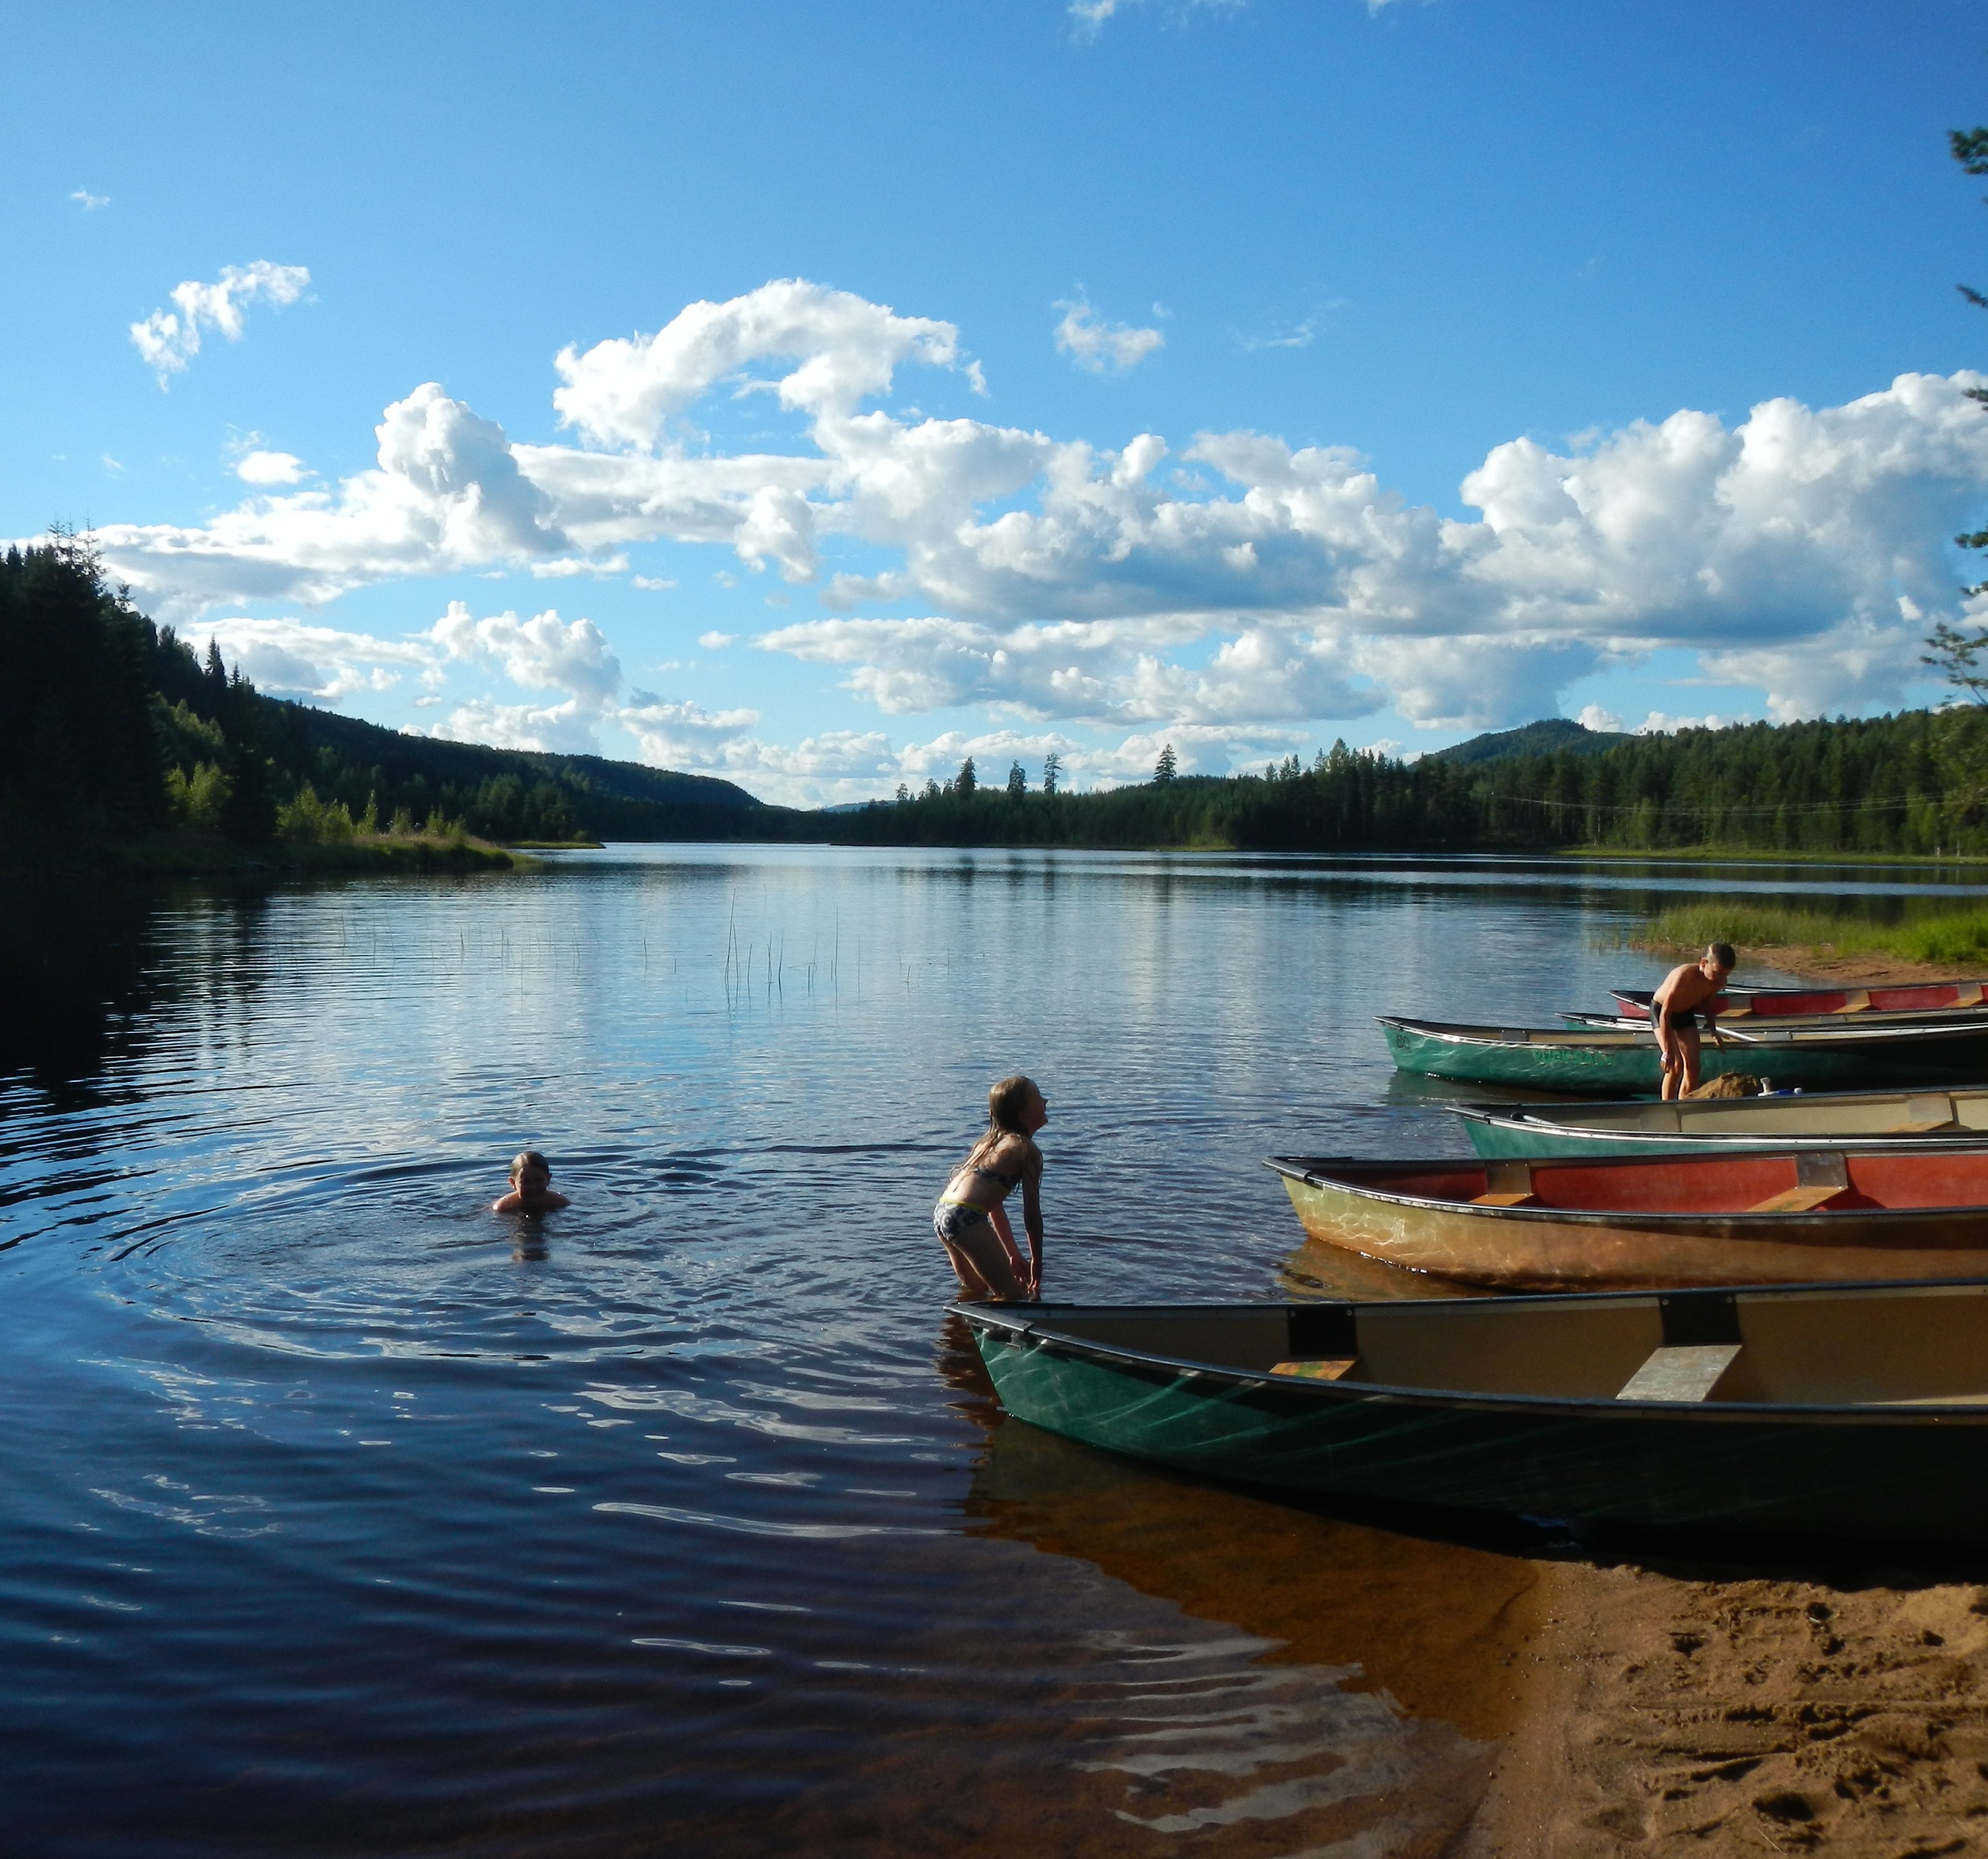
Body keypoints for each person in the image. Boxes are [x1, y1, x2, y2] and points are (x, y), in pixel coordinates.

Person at [934, 1075, 1046, 1301]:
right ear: (1022, 1112)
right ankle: (1002, 1335)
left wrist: (1012, 1254)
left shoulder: (988, 1143)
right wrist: (1037, 1263)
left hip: (944, 1213)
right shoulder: (1026, 1150)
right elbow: (1032, 1216)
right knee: (1013, 1297)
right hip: (966, 1217)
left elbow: (994, 1206)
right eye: (1038, 1098)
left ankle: (960, 1332)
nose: (1045, 1102)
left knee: (976, 1289)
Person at [1651, 943, 1736, 1101]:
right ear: (1704, 963)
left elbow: (1706, 1003)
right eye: (1717, 973)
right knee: (1675, 1065)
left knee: (1694, 1067)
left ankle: (1684, 1104)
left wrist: (1713, 1031)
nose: (1720, 979)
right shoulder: (1684, 975)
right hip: (1662, 1011)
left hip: (1684, 1013)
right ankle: (1666, 1106)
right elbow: (1665, 1013)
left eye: (1725, 975)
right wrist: (1667, 1052)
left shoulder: (1719, 981)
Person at [493, 1149, 570, 1214]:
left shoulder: (559, 1202)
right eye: (526, 1182)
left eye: (538, 1180)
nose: (533, 1187)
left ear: (548, 1179)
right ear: (513, 1183)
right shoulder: (505, 1206)